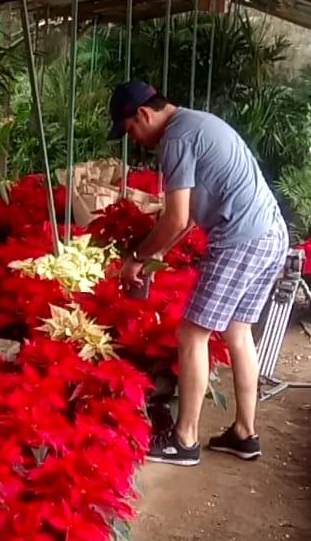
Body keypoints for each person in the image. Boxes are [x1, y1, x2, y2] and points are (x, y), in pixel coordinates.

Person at [110, 80, 290, 467]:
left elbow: (175, 217)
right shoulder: (197, 123)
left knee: (193, 333)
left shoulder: (176, 138)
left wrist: (136, 257)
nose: (136, 140)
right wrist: (154, 257)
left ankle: (184, 440)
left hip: (241, 237)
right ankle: (245, 433)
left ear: (143, 114)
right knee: (238, 331)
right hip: (271, 233)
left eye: (130, 130)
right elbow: (188, 217)